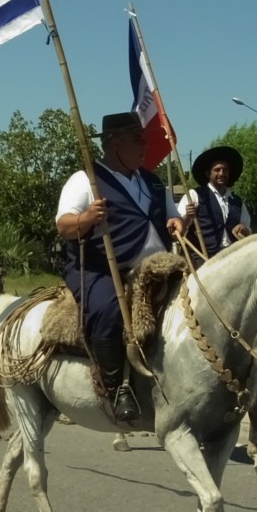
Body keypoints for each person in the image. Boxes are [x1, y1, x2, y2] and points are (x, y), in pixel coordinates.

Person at [56, 112, 187, 423]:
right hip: (100, 268)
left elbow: (173, 215)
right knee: (108, 309)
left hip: (158, 265)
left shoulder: (151, 181)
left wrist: (176, 222)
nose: (144, 146)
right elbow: (64, 226)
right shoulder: (85, 180)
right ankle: (117, 388)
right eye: (136, 140)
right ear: (115, 144)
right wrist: (86, 219)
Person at [177, 145, 252, 261]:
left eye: (225, 170)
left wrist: (244, 228)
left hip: (230, 259)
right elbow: (179, 230)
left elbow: (247, 228)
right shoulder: (194, 195)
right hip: (200, 259)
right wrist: (188, 216)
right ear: (208, 174)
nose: (222, 173)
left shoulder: (237, 201)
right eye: (217, 170)